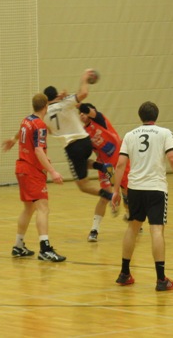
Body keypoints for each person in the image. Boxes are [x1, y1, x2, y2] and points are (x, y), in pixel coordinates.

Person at [111, 101, 173, 291]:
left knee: (132, 228)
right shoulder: (165, 133)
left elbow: (120, 164)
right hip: (155, 188)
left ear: (140, 116)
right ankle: (161, 279)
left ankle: (124, 273)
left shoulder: (129, 135)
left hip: (134, 188)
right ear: (156, 115)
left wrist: (115, 191)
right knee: (156, 230)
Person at [41, 69, 113, 240]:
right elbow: (84, 93)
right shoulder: (65, 103)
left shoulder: (43, 116)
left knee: (83, 186)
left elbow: (49, 131)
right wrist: (84, 78)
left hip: (72, 147)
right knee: (83, 161)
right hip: (86, 141)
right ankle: (102, 166)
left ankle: (110, 195)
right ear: (56, 95)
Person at [2, 93, 66, 262]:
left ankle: (18, 246)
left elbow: (24, 135)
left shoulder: (26, 120)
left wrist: (13, 139)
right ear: (46, 107)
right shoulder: (40, 125)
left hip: (21, 168)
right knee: (43, 208)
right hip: (32, 170)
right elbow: (38, 150)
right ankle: (45, 249)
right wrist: (53, 171)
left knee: (29, 209)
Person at [78, 102, 131, 242]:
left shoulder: (100, 120)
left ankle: (129, 214)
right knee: (105, 196)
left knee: (126, 193)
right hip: (105, 166)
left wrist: (75, 103)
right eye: (80, 113)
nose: (82, 114)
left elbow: (86, 109)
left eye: (84, 112)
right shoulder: (83, 134)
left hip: (120, 161)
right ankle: (94, 230)